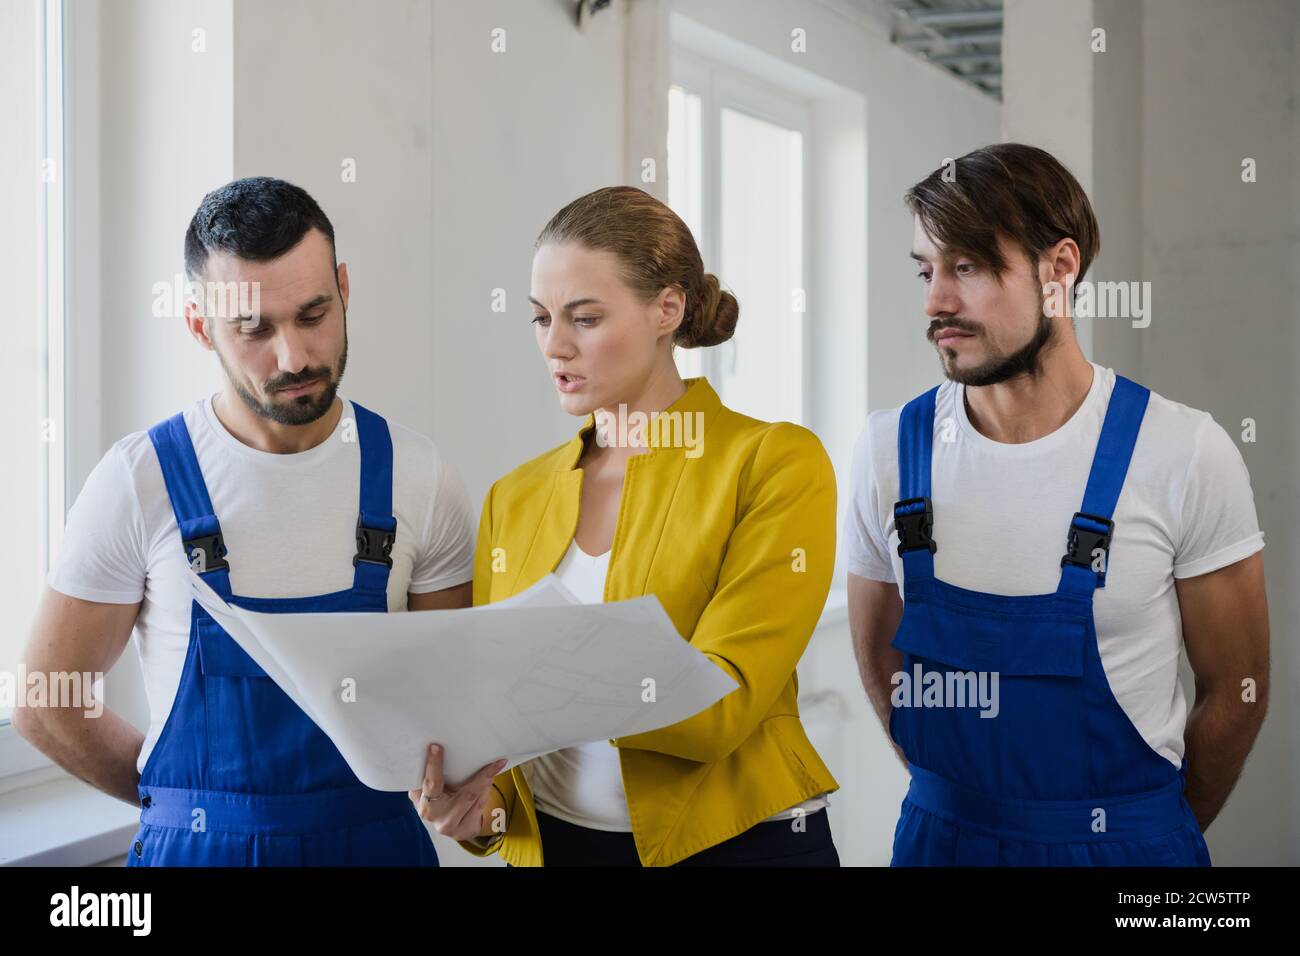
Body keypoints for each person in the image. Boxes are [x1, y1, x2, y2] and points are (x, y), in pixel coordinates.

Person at [16, 176, 482, 866]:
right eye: (254, 329)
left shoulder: (419, 476)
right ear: (201, 326)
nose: (292, 357)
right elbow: (43, 700)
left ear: (344, 290)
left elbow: (449, 708)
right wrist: (178, 804)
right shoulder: (138, 481)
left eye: (313, 314)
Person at [845, 143, 1270, 866]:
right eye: (926, 270)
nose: (935, 301)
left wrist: (1144, 835)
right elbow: (884, 663)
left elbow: (1237, 689)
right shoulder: (887, 450)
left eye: (968, 268)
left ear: (1059, 269)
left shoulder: (1183, 450)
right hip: (940, 841)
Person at [424, 185, 840, 866]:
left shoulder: (772, 463)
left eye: (584, 318)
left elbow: (719, 709)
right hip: (561, 850)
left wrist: (542, 679)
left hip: (742, 847)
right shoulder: (515, 497)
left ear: (666, 309)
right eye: (540, 318)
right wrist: (481, 806)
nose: (555, 346)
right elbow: (501, 738)